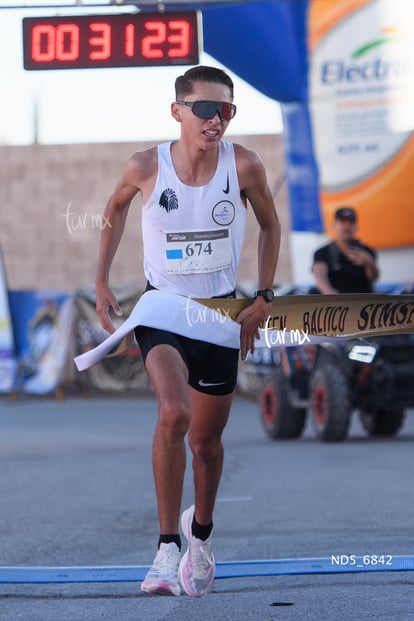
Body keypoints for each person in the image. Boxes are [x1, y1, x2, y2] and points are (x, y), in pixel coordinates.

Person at [94, 66, 281, 598]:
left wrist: (263, 295)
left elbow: (271, 225)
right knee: (173, 412)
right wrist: (102, 279)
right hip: (162, 310)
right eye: (204, 108)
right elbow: (112, 211)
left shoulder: (244, 164)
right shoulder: (145, 165)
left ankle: (200, 536)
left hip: (219, 316)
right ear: (177, 111)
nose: (215, 119)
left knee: (205, 444)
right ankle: (164, 549)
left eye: (226, 110)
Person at [312, 206, 379, 294]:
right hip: (334, 304)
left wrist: (369, 262)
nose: (347, 227)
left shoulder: (367, 251)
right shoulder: (322, 253)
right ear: (334, 225)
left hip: (361, 302)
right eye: (342, 222)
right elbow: (320, 277)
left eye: (351, 222)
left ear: (356, 227)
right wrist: (332, 295)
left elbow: (373, 277)